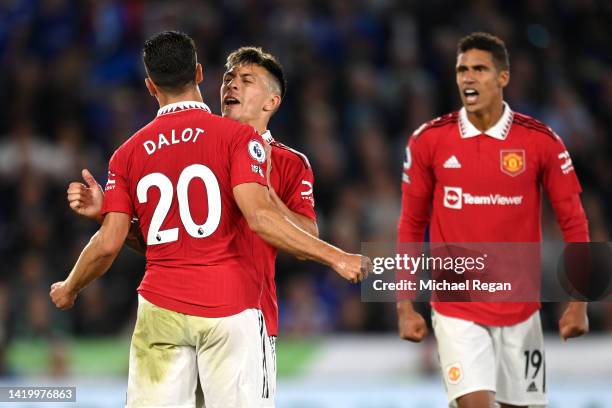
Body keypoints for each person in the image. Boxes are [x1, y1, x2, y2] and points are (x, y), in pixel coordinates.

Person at [50, 31, 369, 408]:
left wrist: (264, 190)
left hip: (179, 309)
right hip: (232, 310)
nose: (232, 84)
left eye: (246, 80)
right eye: (230, 77)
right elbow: (174, 236)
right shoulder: (227, 141)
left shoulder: (286, 161)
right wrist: (337, 257)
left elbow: (296, 232)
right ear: (201, 75)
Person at [397, 32, 589, 408]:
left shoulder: (541, 142)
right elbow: (410, 224)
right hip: (457, 309)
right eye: (462, 70)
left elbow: (574, 222)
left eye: (479, 69)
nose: (468, 77)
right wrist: (404, 305)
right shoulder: (428, 141)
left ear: (503, 77)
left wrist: (579, 302)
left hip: (521, 312)